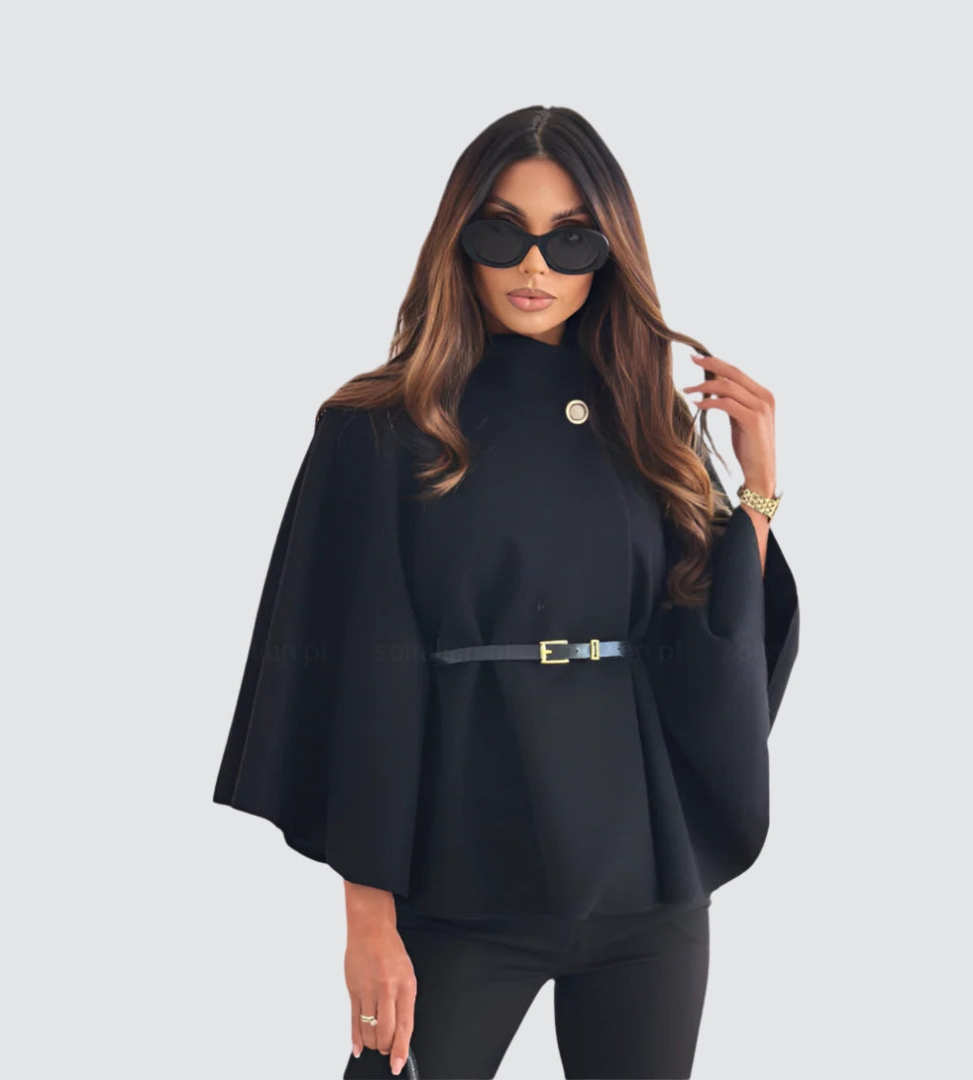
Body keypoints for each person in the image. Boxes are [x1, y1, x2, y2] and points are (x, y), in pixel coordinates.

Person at [213, 105, 800, 1080]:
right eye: (502, 233)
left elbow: (714, 644)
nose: (534, 265)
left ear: (608, 254)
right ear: (459, 240)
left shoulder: (644, 420)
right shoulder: (378, 428)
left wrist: (759, 491)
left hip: (645, 889)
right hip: (463, 877)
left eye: (570, 240)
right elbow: (356, 674)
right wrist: (369, 921)